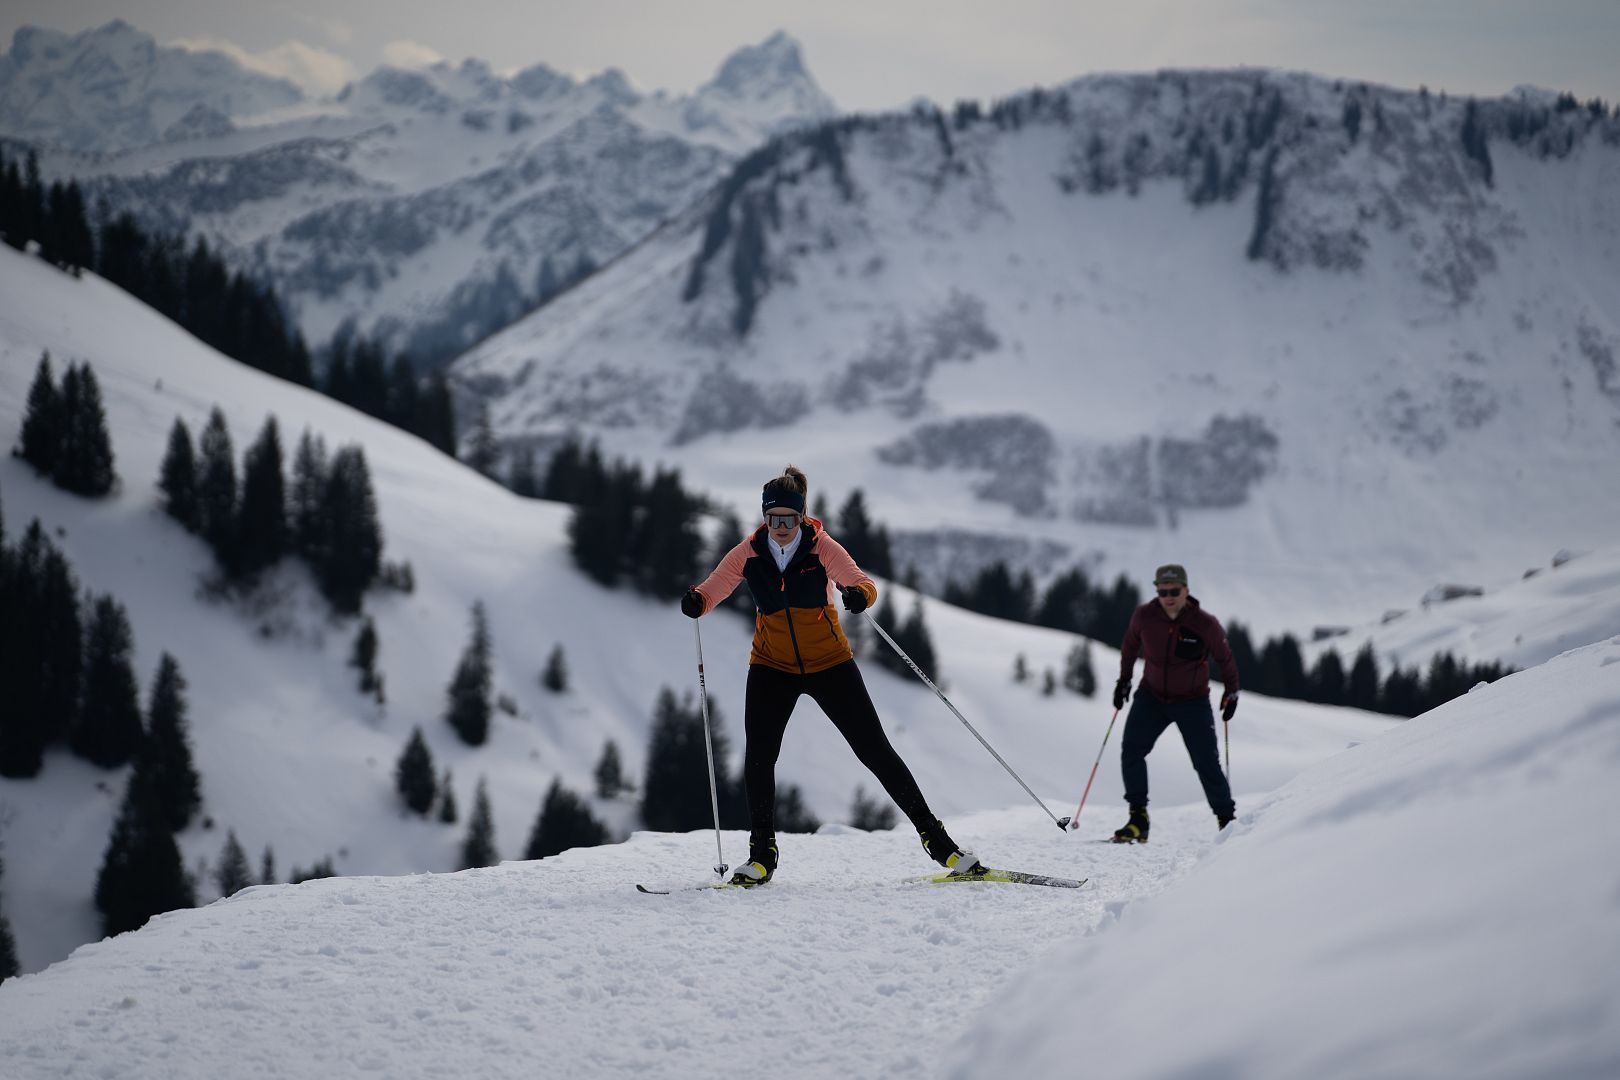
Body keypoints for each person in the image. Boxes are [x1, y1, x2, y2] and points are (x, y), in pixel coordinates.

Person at [681, 465, 981, 885]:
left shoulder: (821, 547)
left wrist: (859, 595)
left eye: (789, 519)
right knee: (759, 758)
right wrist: (698, 600)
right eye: (773, 519)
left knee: (875, 751)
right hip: (771, 665)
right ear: (764, 517)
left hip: (830, 664)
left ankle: (939, 843)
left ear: (802, 516)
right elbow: (714, 587)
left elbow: (861, 582)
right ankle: (762, 855)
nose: (781, 528)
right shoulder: (748, 553)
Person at [1110, 563, 1239, 842]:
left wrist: (1232, 692)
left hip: (1192, 701)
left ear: (1186, 590)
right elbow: (1130, 646)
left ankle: (1227, 821)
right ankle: (1138, 819)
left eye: (1174, 591)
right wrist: (1124, 681)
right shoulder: (1144, 616)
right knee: (1131, 751)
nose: (1168, 597)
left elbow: (1225, 659)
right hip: (1152, 696)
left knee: (1206, 762)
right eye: (1162, 591)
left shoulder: (1205, 624)